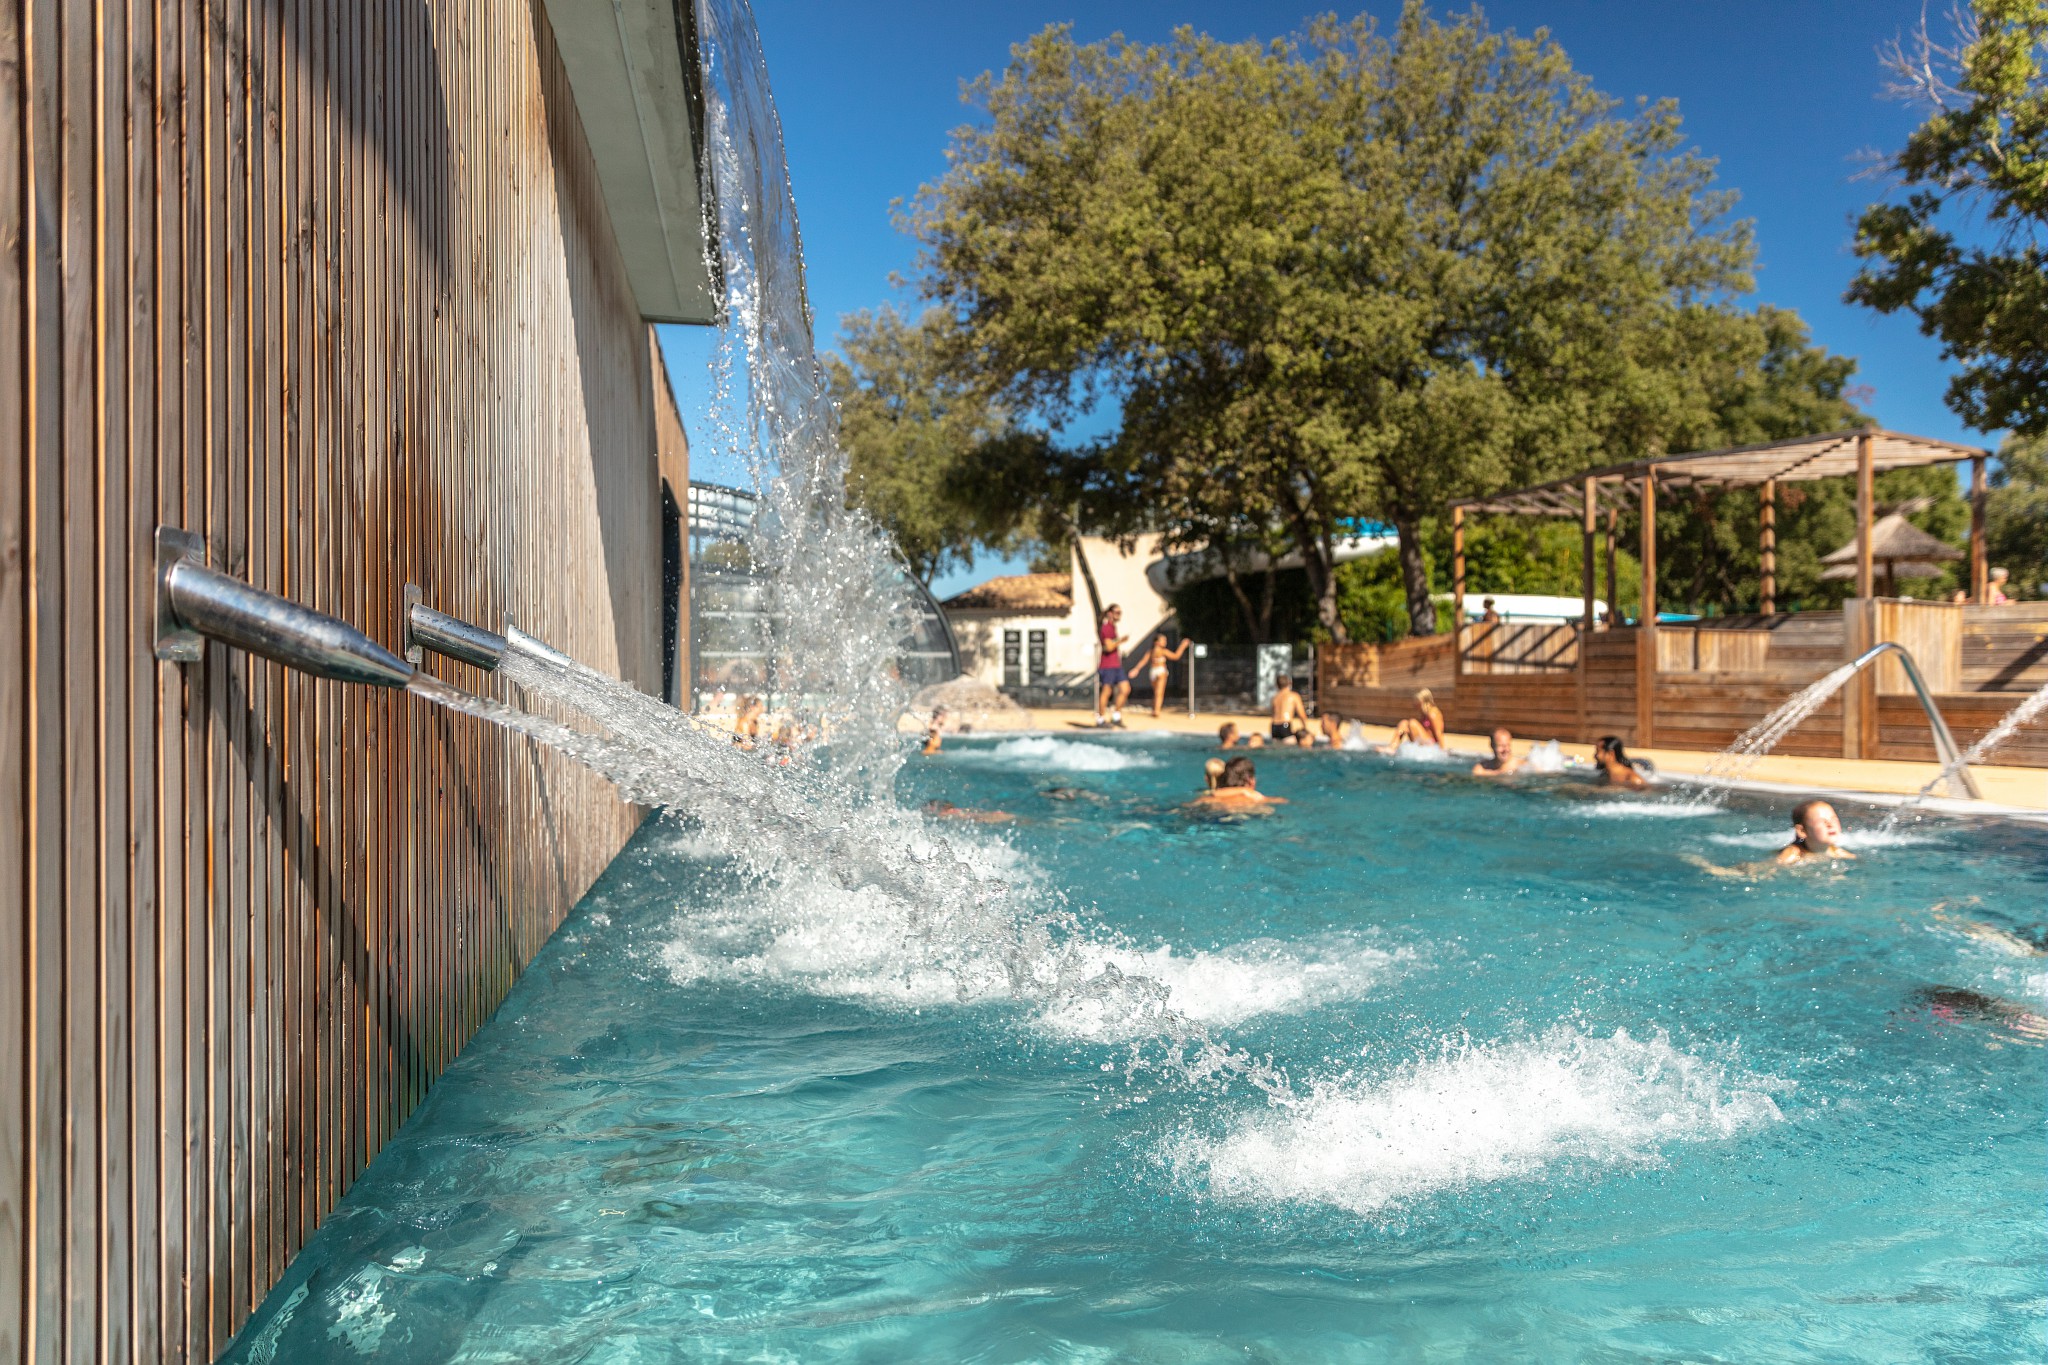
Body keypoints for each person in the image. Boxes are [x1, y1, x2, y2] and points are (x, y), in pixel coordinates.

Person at [1777, 799, 1855, 864]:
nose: (1830, 824)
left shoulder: (1838, 853)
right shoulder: (1793, 854)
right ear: (1802, 831)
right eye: (1822, 821)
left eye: (1833, 819)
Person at [1193, 755, 1287, 809]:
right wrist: (1246, 791)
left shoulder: (1207, 799)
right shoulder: (1258, 800)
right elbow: (1283, 801)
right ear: (1251, 781)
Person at [1094, 604, 1132, 728]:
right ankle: (1100, 719)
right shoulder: (1106, 628)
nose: (1119, 615)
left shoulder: (1113, 627)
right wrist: (1121, 640)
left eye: (1120, 612)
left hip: (1116, 665)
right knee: (1107, 691)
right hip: (1107, 665)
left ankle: (1116, 716)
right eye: (1117, 612)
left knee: (1125, 689)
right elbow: (1109, 647)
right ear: (1110, 613)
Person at [1141, 633, 1193, 717]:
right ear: (1156, 642)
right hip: (1156, 670)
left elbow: (1144, 661)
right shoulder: (1158, 651)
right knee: (1158, 692)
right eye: (1163, 640)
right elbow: (1175, 656)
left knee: (1158, 692)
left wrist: (1136, 669)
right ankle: (1156, 709)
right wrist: (1182, 646)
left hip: (1157, 671)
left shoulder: (1156, 651)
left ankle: (1156, 710)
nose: (1165, 642)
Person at [1270, 673, 1310, 743]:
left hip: (1274, 726)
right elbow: (1301, 714)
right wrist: (1305, 728)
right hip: (1285, 725)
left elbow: (1273, 714)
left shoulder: (1275, 698)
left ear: (1277, 685)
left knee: (1277, 747)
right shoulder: (1293, 696)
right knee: (1290, 745)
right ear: (1289, 683)